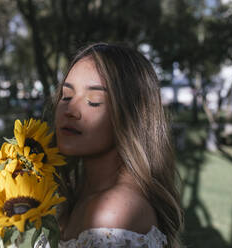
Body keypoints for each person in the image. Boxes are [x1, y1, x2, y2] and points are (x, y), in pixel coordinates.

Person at [42, 43, 183, 247]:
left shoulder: (112, 214)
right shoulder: (77, 196)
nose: (70, 109)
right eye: (66, 95)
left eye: (94, 100)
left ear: (131, 117)